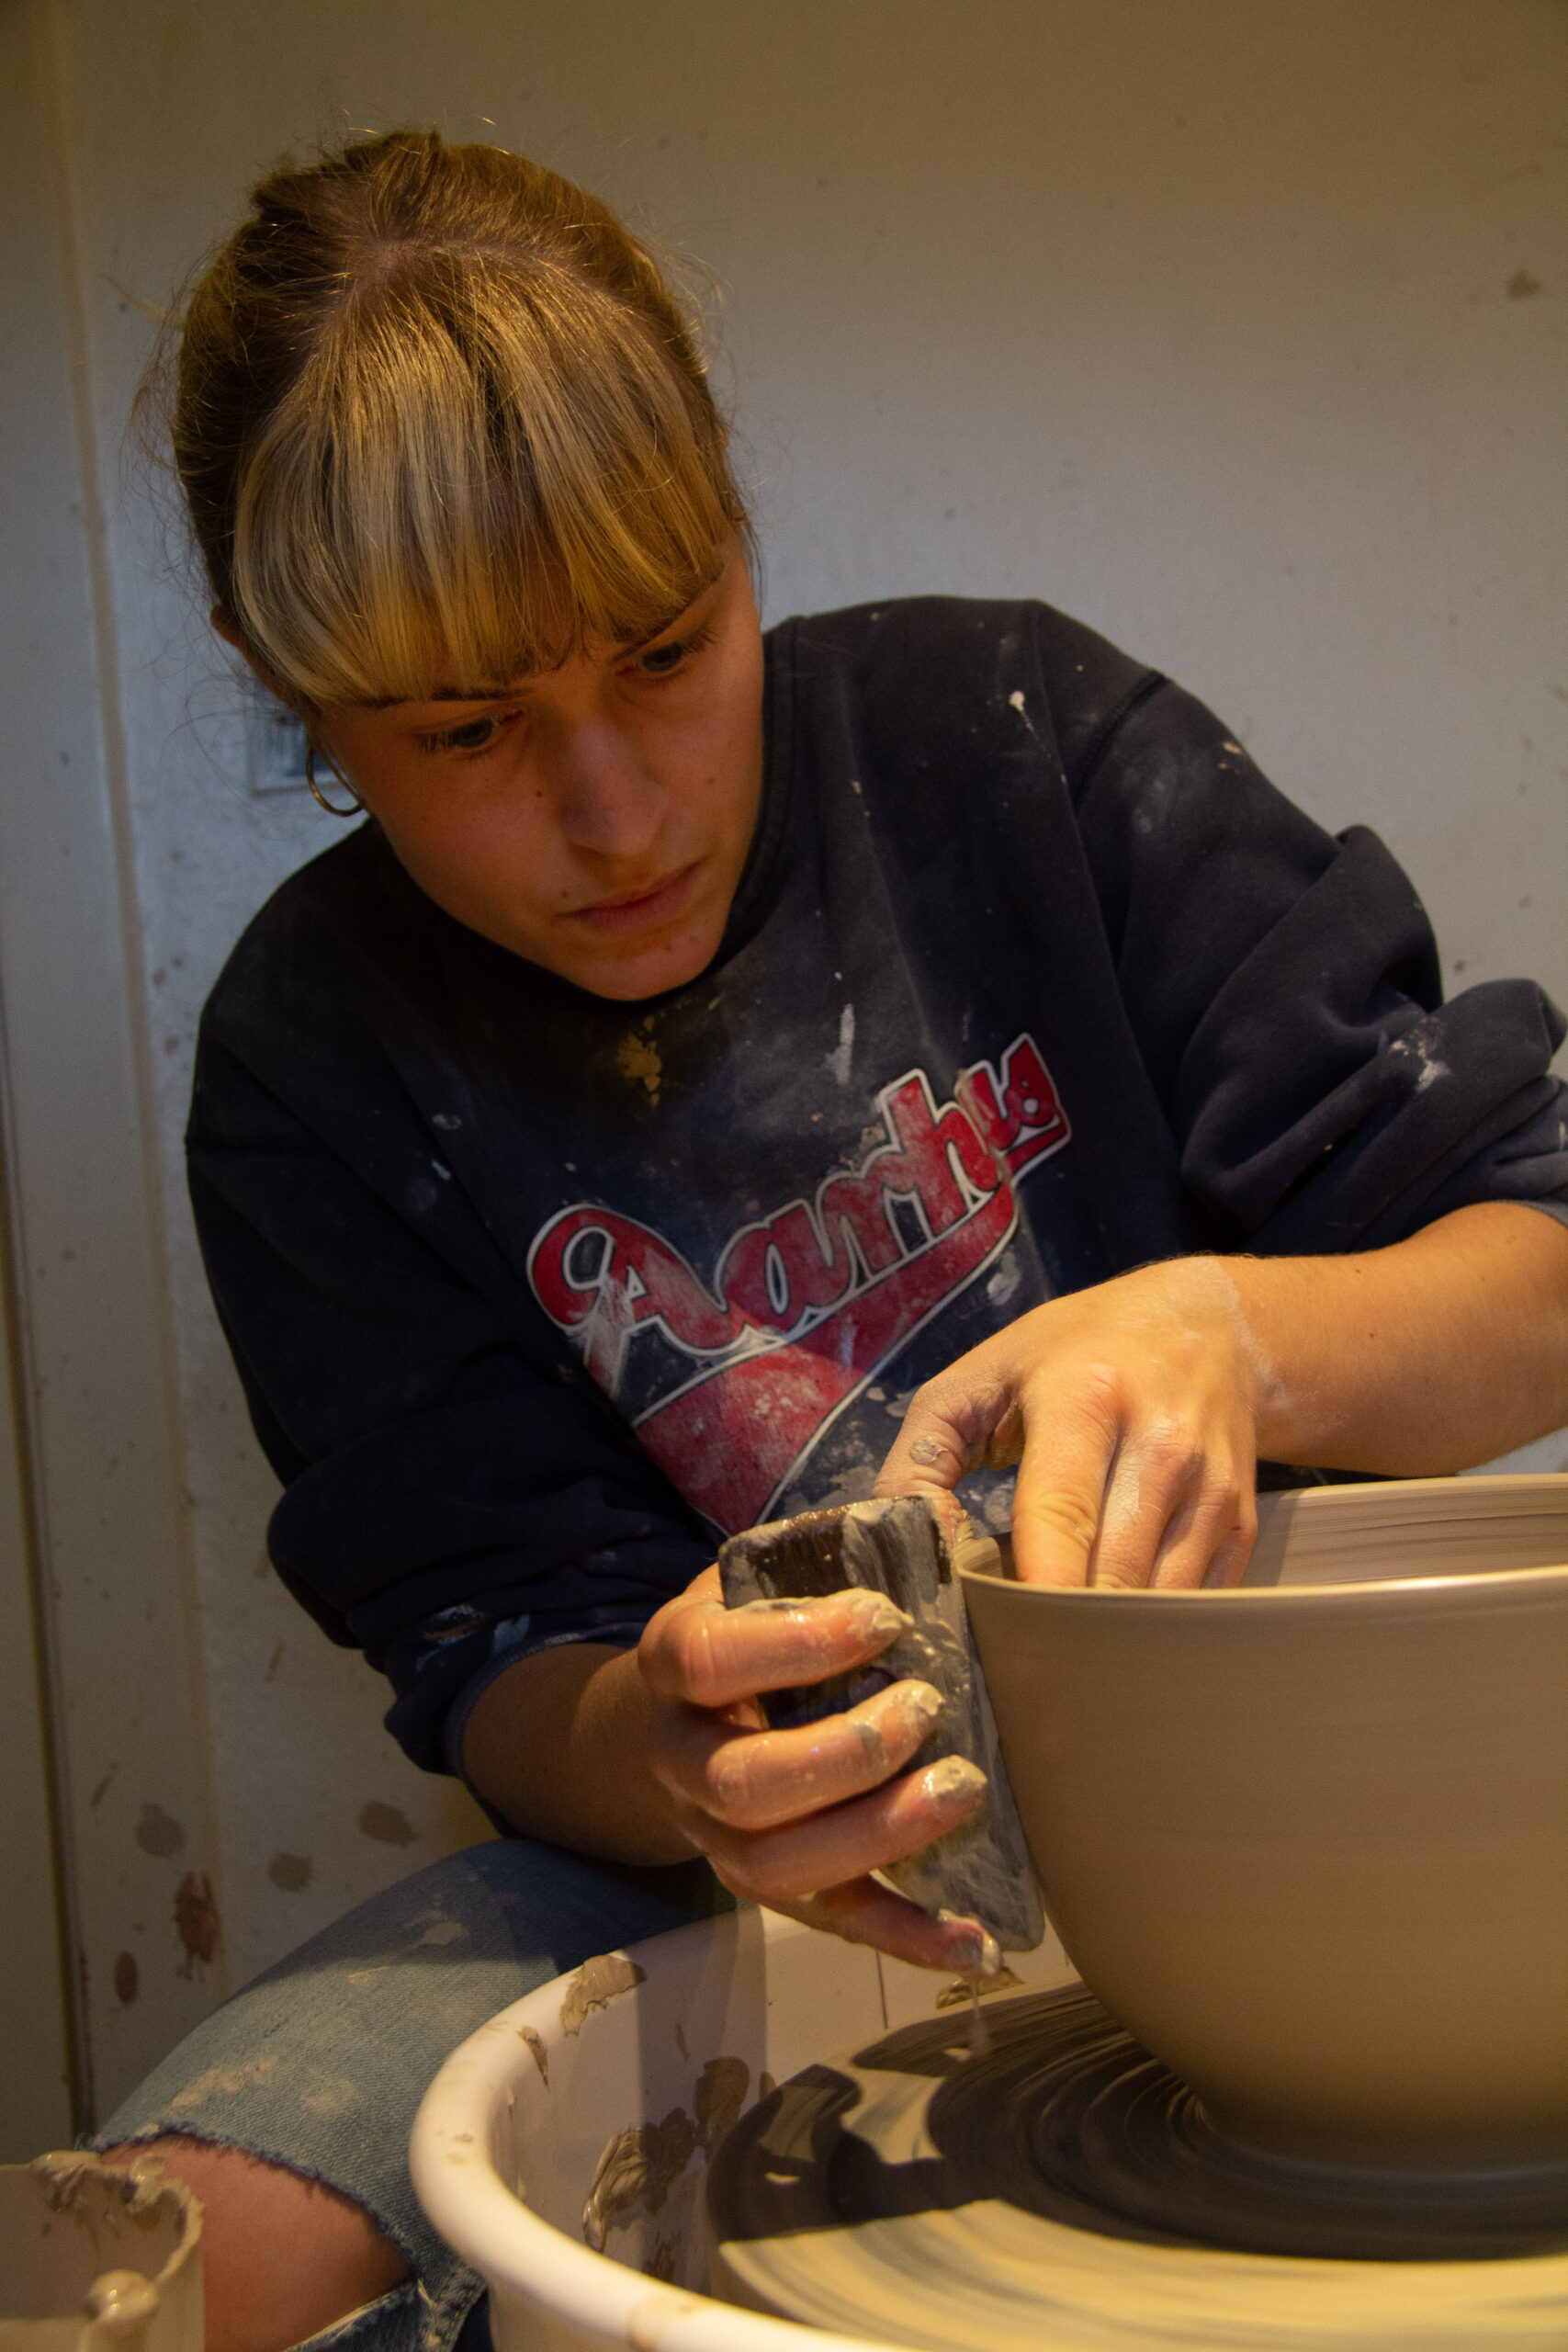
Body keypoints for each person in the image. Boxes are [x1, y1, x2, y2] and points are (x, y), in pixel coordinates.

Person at [96, 129, 1568, 2352]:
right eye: (468, 728)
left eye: (667, 648)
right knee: (167, 2269)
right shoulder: (318, 1055)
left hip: (1281, 1792)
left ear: (729, 518)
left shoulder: (1014, 747)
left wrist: (1242, 1333)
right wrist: (668, 1741)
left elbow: (1536, 1250)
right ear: (280, 679)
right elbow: (497, 1656)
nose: (616, 813)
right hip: (743, 1872)